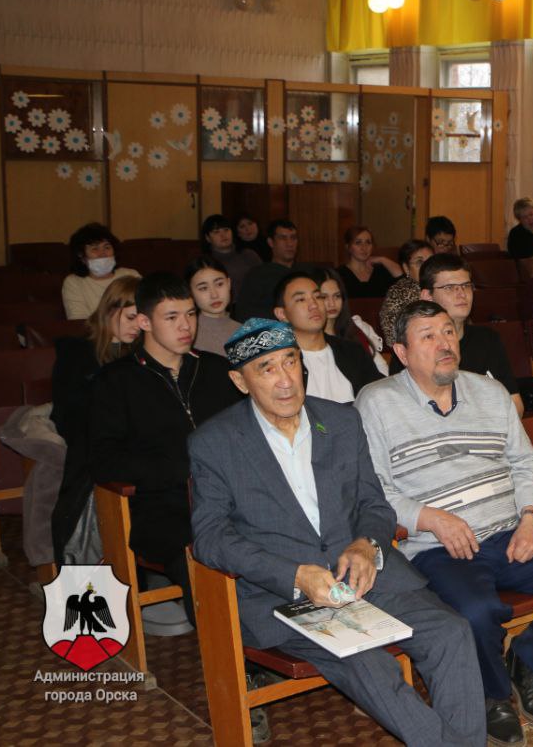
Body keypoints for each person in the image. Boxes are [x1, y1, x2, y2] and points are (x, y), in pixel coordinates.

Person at [189, 319, 486, 747]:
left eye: (290, 362)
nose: (285, 379)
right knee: (369, 664)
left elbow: (374, 506)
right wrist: (294, 575)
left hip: (365, 575)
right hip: (286, 597)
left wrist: (366, 545)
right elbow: (211, 537)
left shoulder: (341, 421)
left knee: (451, 633)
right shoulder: (216, 442)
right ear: (240, 381)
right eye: (266, 369)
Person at [356, 300, 533, 746]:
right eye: (428, 336)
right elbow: (374, 491)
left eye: (448, 332)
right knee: (475, 613)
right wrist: (430, 519)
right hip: (439, 548)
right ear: (400, 352)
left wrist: (531, 519)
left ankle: (528, 663)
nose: (444, 344)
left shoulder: (490, 392)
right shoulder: (377, 403)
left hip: (510, 531)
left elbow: (525, 464)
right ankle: (493, 696)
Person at [88, 273, 244, 621]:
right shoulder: (116, 381)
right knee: (205, 552)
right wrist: (178, 469)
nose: (186, 326)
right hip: (163, 506)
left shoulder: (217, 369)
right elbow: (103, 460)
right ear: (144, 322)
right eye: (171, 317)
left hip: (233, 497)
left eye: (190, 314)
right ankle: (231, 649)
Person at [49, 276, 140, 566]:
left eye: (143, 319)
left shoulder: (143, 355)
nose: (137, 326)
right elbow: (67, 415)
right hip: (91, 454)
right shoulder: (77, 352)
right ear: (109, 310)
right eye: (130, 317)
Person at [417, 253, 523, 414]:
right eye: (449, 287)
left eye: (466, 285)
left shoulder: (488, 339)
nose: (462, 293)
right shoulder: (414, 348)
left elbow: (515, 404)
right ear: (427, 297)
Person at [272, 273, 382, 404]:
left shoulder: (352, 352)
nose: (314, 305)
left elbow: (378, 399)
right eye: (301, 299)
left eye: (318, 297)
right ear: (282, 314)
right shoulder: (276, 362)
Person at [233, 219, 312, 322]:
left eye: (293, 238)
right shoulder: (257, 275)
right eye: (283, 238)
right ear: (271, 242)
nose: (290, 243)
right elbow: (243, 313)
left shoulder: (307, 272)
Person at [61, 223, 141, 320]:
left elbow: (147, 308)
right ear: (82, 256)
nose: (103, 254)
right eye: (95, 249)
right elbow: (78, 320)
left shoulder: (131, 275)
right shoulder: (74, 282)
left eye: (107, 247)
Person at [319, 268, 388, 376]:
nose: (332, 303)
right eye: (324, 297)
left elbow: (381, 367)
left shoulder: (355, 329)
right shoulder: (311, 338)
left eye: (337, 296)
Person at [379, 239, 435, 349]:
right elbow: (392, 337)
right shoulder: (397, 292)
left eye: (431, 262)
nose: (427, 267)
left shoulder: (442, 286)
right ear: (406, 268)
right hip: (412, 351)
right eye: (420, 262)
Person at [186, 256, 241, 358]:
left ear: (229, 283)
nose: (214, 295)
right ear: (191, 293)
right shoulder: (187, 334)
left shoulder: (244, 330)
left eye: (219, 284)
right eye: (203, 288)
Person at [201, 214, 262, 297]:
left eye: (226, 230)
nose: (223, 235)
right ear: (207, 238)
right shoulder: (206, 262)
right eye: (216, 232)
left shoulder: (249, 254)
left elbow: (262, 280)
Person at [336, 225, 402, 300]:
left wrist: (382, 259)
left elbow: (403, 278)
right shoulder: (339, 274)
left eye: (368, 242)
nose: (364, 247)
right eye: (358, 242)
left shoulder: (380, 271)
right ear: (348, 247)